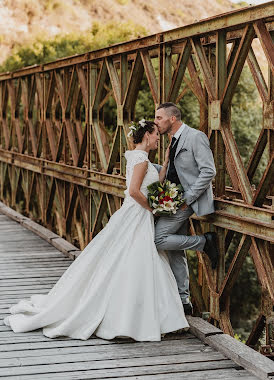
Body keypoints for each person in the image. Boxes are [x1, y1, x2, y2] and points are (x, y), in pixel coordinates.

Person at [4, 120, 189, 342]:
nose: (159, 138)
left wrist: (166, 163)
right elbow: (133, 191)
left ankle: (143, 314)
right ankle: (134, 317)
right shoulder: (140, 159)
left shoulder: (138, 157)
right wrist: (153, 209)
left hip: (138, 215)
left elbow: (152, 186)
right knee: (136, 260)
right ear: (147, 135)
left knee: (135, 260)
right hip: (137, 215)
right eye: (156, 134)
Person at [154, 102, 219, 316]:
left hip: (185, 201)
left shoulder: (195, 136)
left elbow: (208, 171)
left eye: (159, 118)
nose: (156, 123)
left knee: (159, 239)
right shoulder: (172, 140)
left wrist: (188, 199)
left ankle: (203, 242)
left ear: (172, 119)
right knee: (175, 249)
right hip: (170, 200)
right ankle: (183, 301)